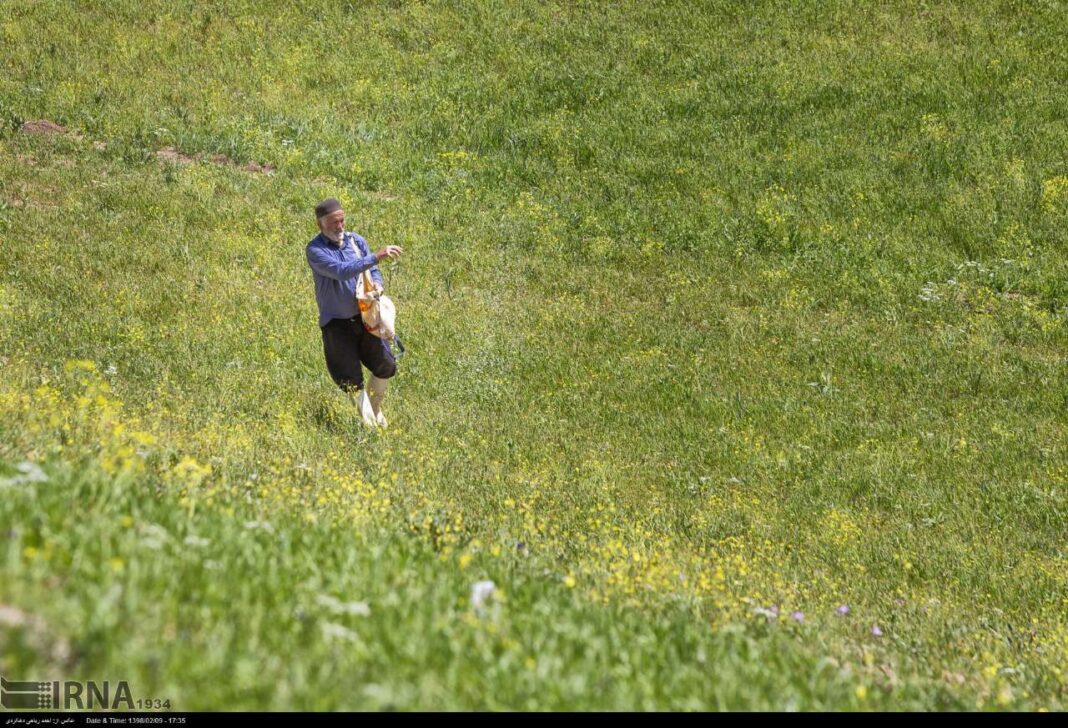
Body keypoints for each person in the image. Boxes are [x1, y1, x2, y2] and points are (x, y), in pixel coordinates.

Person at [305, 198, 404, 428]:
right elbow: (340, 272)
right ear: (320, 224)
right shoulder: (315, 250)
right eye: (333, 222)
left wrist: (378, 286)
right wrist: (376, 256)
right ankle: (369, 427)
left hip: (365, 317)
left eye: (342, 220)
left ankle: (375, 409)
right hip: (337, 325)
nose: (339, 226)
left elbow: (374, 272)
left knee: (386, 364)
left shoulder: (356, 241)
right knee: (351, 379)